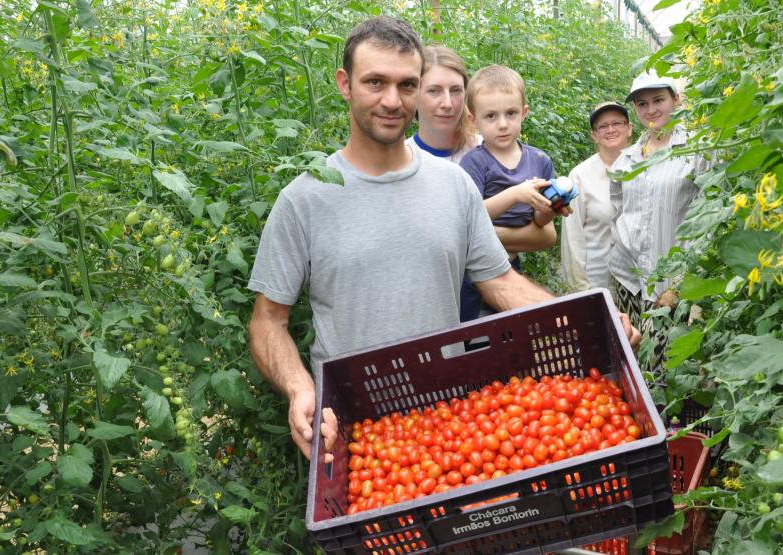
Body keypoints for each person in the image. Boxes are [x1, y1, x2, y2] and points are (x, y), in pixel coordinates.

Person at [247, 16, 641, 461]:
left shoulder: (453, 186)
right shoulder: (305, 198)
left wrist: (590, 317)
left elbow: (501, 284)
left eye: (407, 84)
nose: (392, 100)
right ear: (345, 84)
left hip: (448, 421)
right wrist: (301, 388)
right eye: (375, 82)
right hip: (352, 427)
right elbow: (268, 320)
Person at [609, 71, 709, 347]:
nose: (650, 110)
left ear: (676, 100)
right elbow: (618, 215)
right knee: (631, 355)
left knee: (664, 365)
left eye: (658, 100)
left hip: (671, 286)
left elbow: (707, 223)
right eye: (642, 104)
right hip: (628, 279)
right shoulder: (627, 159)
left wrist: (679, 283)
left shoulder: (697, 150)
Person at [457, 64, 562, 321]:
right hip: (472, 270)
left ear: (524, 113)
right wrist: (516, 194)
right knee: (471, 331)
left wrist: (550, 209)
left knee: (509, 328)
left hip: (510, 263)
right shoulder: (474, 163)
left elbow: (539, 223)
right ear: (473, 120)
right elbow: (470, 217)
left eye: (511, 113)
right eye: (491, 116)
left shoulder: (539, 160)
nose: (502, 124)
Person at [560, 101, 633, 292]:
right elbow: (572, 238)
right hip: (597, 283)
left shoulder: (645, 169)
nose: (610, 129)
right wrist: (581, 289)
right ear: (594, 136)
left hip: (638, 282)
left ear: (629, 128)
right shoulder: (580, 176)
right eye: (602, 126)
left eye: (617, 123)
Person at [405, 45, 477, 163]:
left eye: (455, 90)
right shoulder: (400, 161)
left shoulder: (490, 151)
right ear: (414, 95)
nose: (447, 104)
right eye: (434, 91)